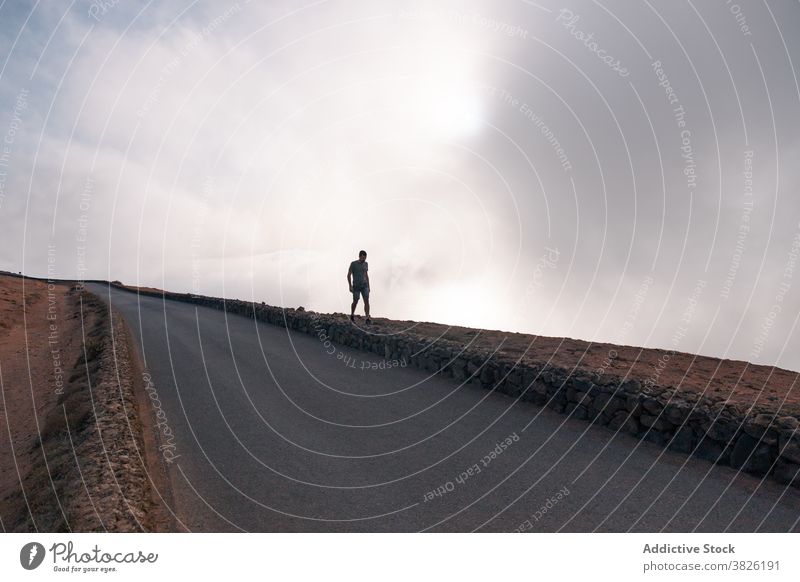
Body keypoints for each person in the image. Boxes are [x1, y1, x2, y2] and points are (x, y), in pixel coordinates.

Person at [347, 250, 371, 323]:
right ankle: (352, 315)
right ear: (359, 256)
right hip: (356, 286)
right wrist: (350, 286)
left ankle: (367, 317)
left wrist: (369, 286)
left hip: (364, 285)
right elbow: (349, 275)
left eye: (365, 258)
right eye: (363, 258)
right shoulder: (353, 264)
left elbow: (366, 275)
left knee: (366, 300)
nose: (364, 260)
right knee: (355, 300)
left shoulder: (366, 264)